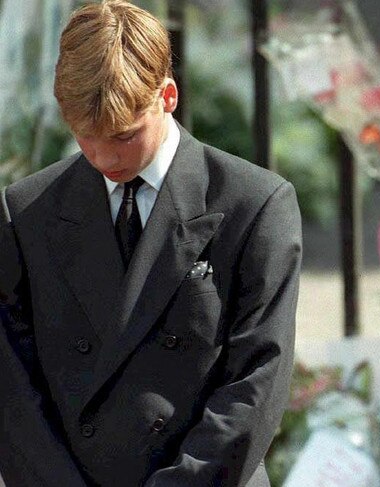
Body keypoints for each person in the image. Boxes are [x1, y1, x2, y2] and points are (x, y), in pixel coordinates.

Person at [0, 1, 301, 485]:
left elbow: (257, 380)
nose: (103, 157)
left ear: (168, 95)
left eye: (124, 135)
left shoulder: (256, 203)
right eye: (85, 136)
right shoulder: (26, 212)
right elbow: (12, 389)